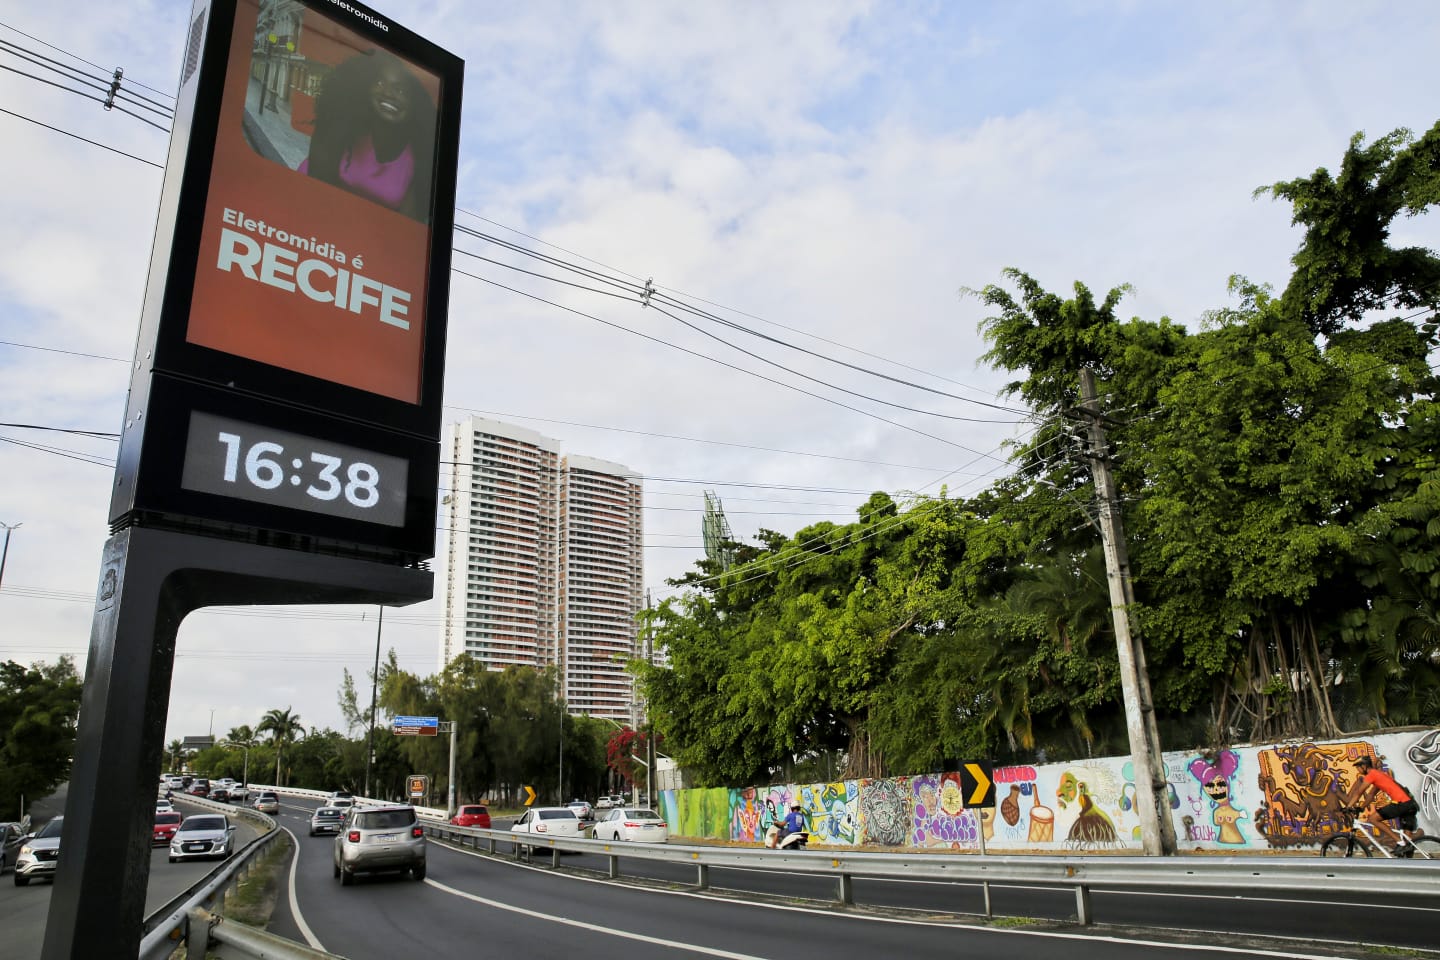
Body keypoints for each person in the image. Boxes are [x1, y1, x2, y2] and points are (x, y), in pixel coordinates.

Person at [299, 48, 437, 223]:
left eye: (401, 91)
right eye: (380, 83)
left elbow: (405, 227)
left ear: (416, 105)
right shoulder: (341, 125)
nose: (388, 93)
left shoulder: (418, 158)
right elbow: (315, 192)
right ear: (365, 86)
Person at [1343, 755, 1420, 850]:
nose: (1357, 770)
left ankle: (1399, 841)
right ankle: (1407, 853)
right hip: (1410, 804)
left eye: (1358, 767)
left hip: (1401, 804)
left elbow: (1359, 792)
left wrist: (1348, 807)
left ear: (1363, 766)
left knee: (1372, 819)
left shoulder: (1372, 775)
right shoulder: (1380, 775)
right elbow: (1371, 795)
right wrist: (1362, 807)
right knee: (1407, 843)